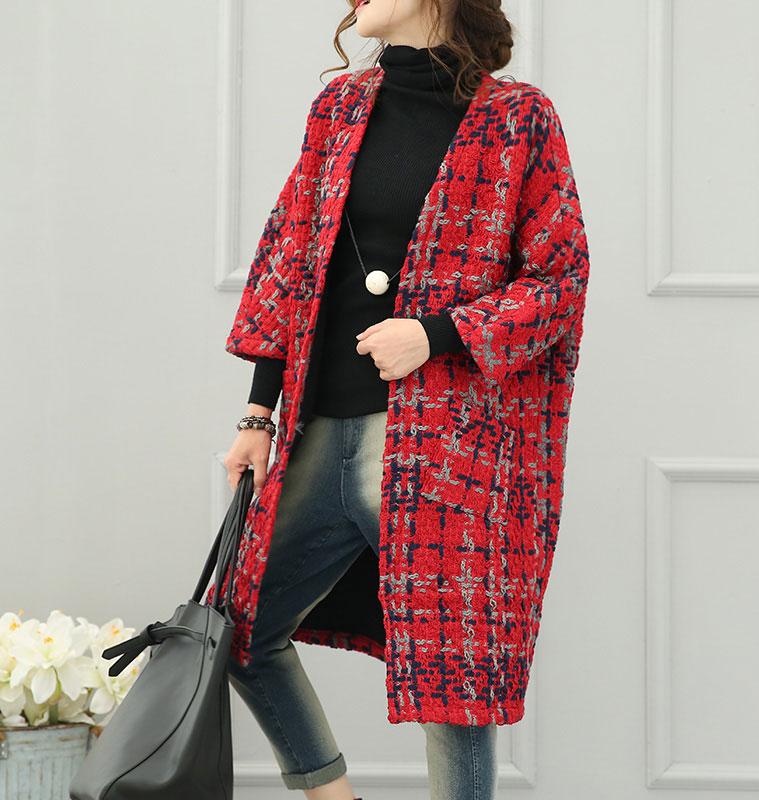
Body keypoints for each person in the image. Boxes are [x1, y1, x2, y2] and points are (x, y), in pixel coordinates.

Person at [218, 1, 591, 798]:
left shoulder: (518, 119)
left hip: (445, 445)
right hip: (326, 432)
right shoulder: (339, 107)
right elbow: (291, 255)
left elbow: (559, 280)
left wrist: (438, 333)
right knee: (237, 629)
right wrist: (258, 412)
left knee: (455, 682)